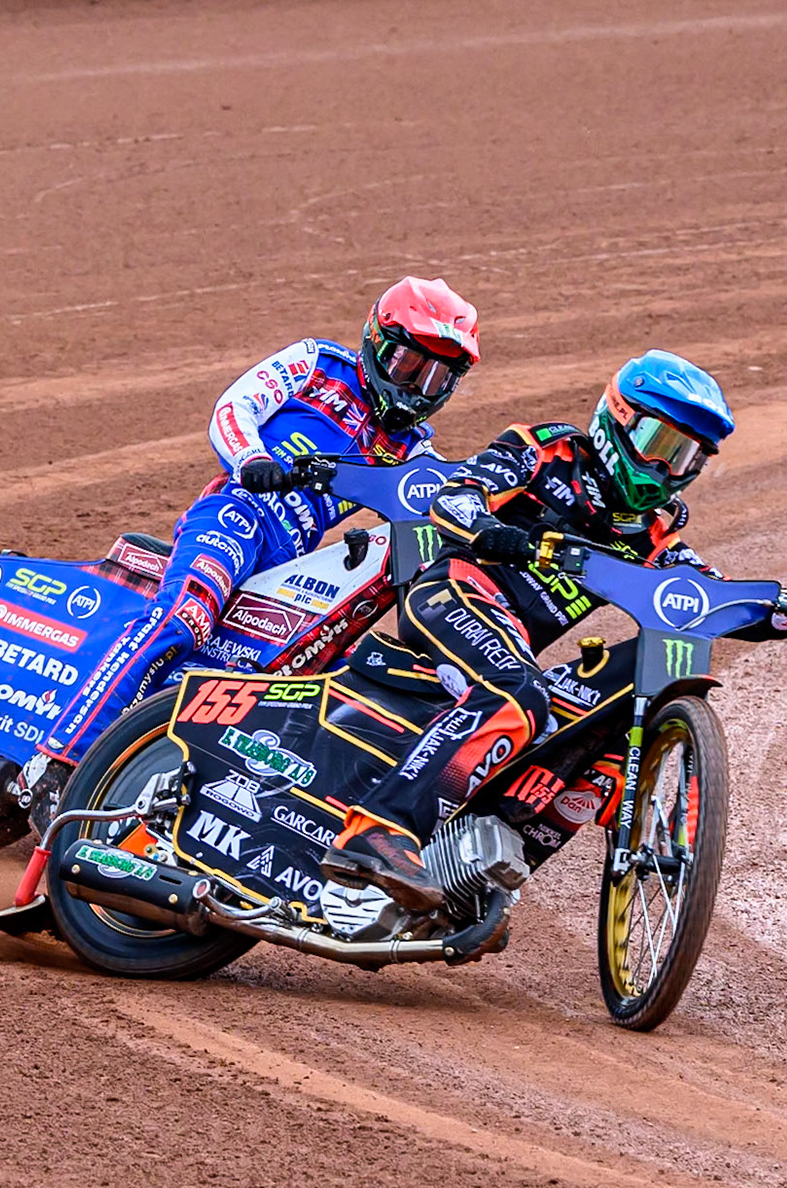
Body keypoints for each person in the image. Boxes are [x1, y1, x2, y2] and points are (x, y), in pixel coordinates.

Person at [326, 350, 787, 911]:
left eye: (687, 457)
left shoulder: (650, 533)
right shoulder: (545, 451)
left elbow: (702, 597)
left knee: (631, 687)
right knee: (519, 691)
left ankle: (482, 863)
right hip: (452, 592)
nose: (667, 470)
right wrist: (490, 530)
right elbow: (454, 497)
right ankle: (377, 830)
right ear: (619, 419)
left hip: (507, 644)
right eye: (661, 444)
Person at [26, 276, 482, 827]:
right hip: (236, 515)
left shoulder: (415, 451)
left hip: (290, 565)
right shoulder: (317, 364)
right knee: (185, 617)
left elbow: (434, 520)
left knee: (306, 684)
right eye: (411, 365)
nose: (419, 386)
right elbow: (233, 407)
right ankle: (53, 763)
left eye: (437, 376)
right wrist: (250, 458)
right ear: (376, 340)